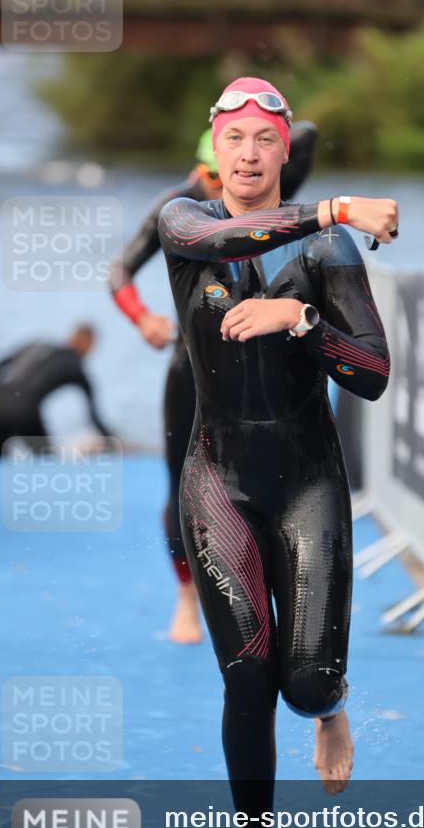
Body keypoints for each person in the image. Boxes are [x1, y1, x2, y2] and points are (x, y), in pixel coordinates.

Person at [157, 76, 396, 828]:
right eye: (235, 140)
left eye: (266, 140)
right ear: (214, 151)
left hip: (308, 486)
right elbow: (230, 239)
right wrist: (336, 208)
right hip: (217, 481)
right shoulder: (183, 226)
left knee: (303, 682)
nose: (249, 154)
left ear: (283, 152)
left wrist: (298, 321)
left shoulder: (326, 256)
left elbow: (372, 376)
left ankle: (330, 708)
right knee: (248, 676)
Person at [110, 123, 318, 644]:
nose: (219, 187)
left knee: (277, 480)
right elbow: (119, 271)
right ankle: (186, 595)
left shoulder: (264, 190)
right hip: (196, 367)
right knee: (180, 482)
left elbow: (307, 133)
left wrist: (260, 132)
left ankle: (277, 594)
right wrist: (143, 319)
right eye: (210, 175)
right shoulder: (178, 208)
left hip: (268, 365)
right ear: (202, 168)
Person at [0, 325, 112, 457]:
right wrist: (112, 442)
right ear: (89, 345)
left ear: (71, 337)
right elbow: (94, 416)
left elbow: (0, 363)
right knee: (46, 461)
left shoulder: (41, 346)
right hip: (24, 411)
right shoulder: (75, 367)